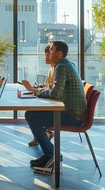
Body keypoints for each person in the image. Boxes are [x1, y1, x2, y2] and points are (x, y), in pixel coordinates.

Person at [24, 41, 87, 170]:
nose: (49, 52)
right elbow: (58, 92)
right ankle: (50, 154)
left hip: (73, 116)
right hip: (74, 113)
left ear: (59, 54)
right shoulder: (67, 64)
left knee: (31, 116)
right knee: (31, 114)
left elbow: (56, 94)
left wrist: (40, 92)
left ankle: (51, 154)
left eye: (51, 50)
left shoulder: (62, 67)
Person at [24, 44, 55, 147]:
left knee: (31, 114)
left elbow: (53, 89)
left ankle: (44, 136)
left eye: (47, 55)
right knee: (30, 112)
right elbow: (48, 86)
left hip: (54, 104)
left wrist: (38, 90)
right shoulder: (51, 70)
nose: (46, 57)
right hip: (51, 100)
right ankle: (41, 136)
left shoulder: (57, 69)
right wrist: (39, 87)